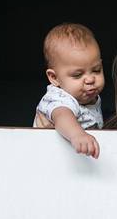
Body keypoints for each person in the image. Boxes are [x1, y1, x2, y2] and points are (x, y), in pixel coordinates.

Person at [33, 23, 104, 158]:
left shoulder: (89, 97)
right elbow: (62, 116)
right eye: (77, 75)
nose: (90, 79)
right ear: (54, 78)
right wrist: (77, 135)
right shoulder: (58, 96)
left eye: (96, 70)